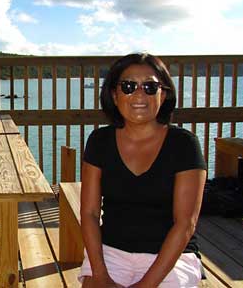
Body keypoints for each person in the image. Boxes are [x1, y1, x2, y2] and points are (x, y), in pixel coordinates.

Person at [79, 53, 207, 288]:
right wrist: (100, 275)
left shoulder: (184, 145)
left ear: (163, 94)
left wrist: (145, 285)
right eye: (128, 86)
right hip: (110, 252)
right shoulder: (99, 141)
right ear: (114, 95)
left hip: (170, 257)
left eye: (150, 86)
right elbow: (89, 213)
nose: (139, 94)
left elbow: (185, 223)